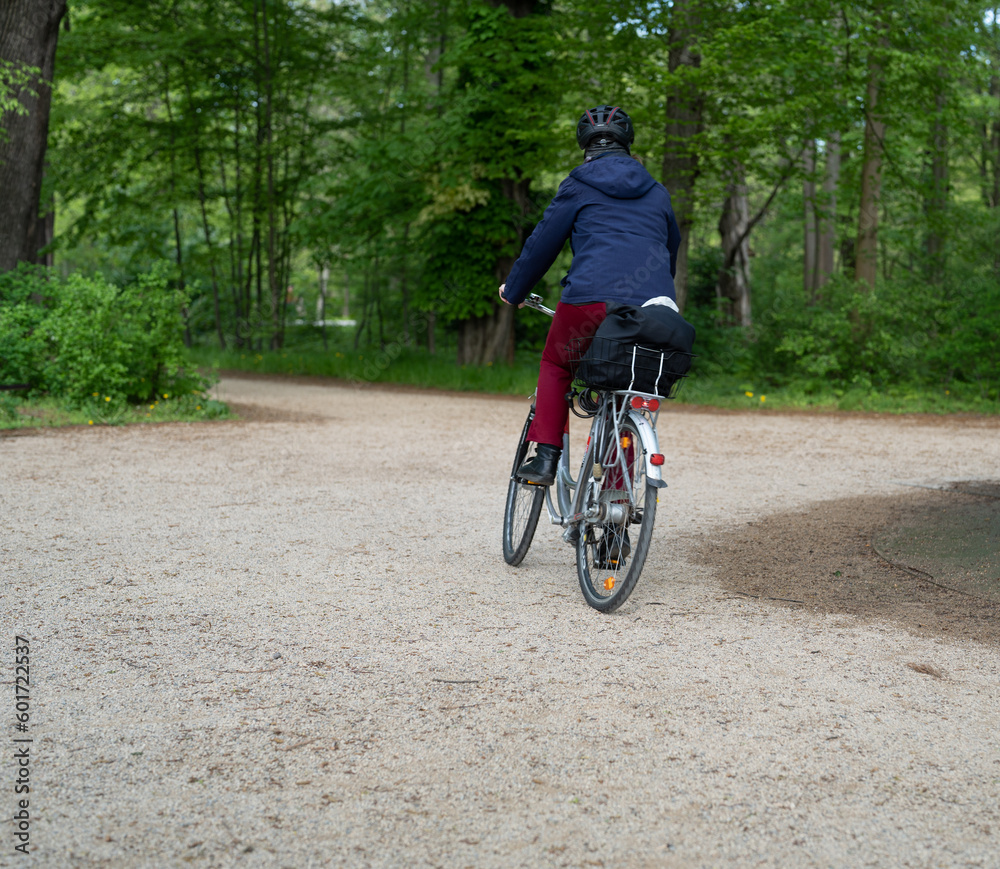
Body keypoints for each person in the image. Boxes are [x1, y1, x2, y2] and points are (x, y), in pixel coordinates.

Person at [498, 104, 682, 486]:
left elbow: (541, 244)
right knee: (626, 388)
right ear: (627, 143)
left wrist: (514, 290)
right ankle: (617, 499)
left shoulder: (579, 184)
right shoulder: (658, 192)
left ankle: (546, 457)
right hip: (652, 308)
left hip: (589, 300)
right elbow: (670, 250)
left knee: (556, 364)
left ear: (585, 143)